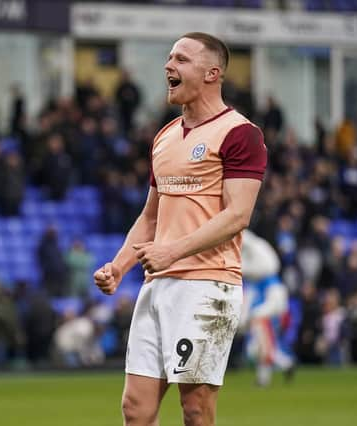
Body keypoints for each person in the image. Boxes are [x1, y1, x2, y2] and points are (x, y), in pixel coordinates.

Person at [93, 32, 267, 426]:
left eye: (181, 59)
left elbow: (238, 215)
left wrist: (172, 251)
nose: (169, 66)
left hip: (208, 286)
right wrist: (119, 267)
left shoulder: (241, 133)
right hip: (157, 285)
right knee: (135, 410)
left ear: (212, 73)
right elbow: (151, 216)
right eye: (169, 58)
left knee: (195, 411)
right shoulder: (165, 137)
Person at [240, 230, 295, 387]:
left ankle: (280, 368)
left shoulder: (258, 253)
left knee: (262, 343)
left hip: (270, 303)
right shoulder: (255, 283)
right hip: (265, 301)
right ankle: (283, 366)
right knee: (257, 347)